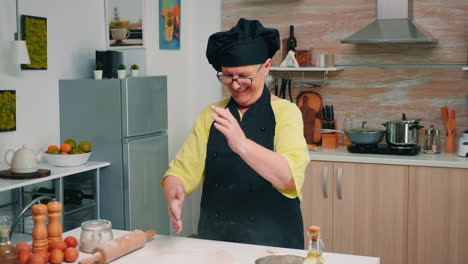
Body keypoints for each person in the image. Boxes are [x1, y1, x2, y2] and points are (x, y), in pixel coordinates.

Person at [161, 18, 310, 249]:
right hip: (217, 240)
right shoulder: (210, 115)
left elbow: (288, 177)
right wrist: (174, 190)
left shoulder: (286, 113)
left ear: (266, 67)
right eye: (227, 76)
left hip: (274, 242)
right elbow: (181, 169)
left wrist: (241, 143)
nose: (236, 84)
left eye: (243, 76)